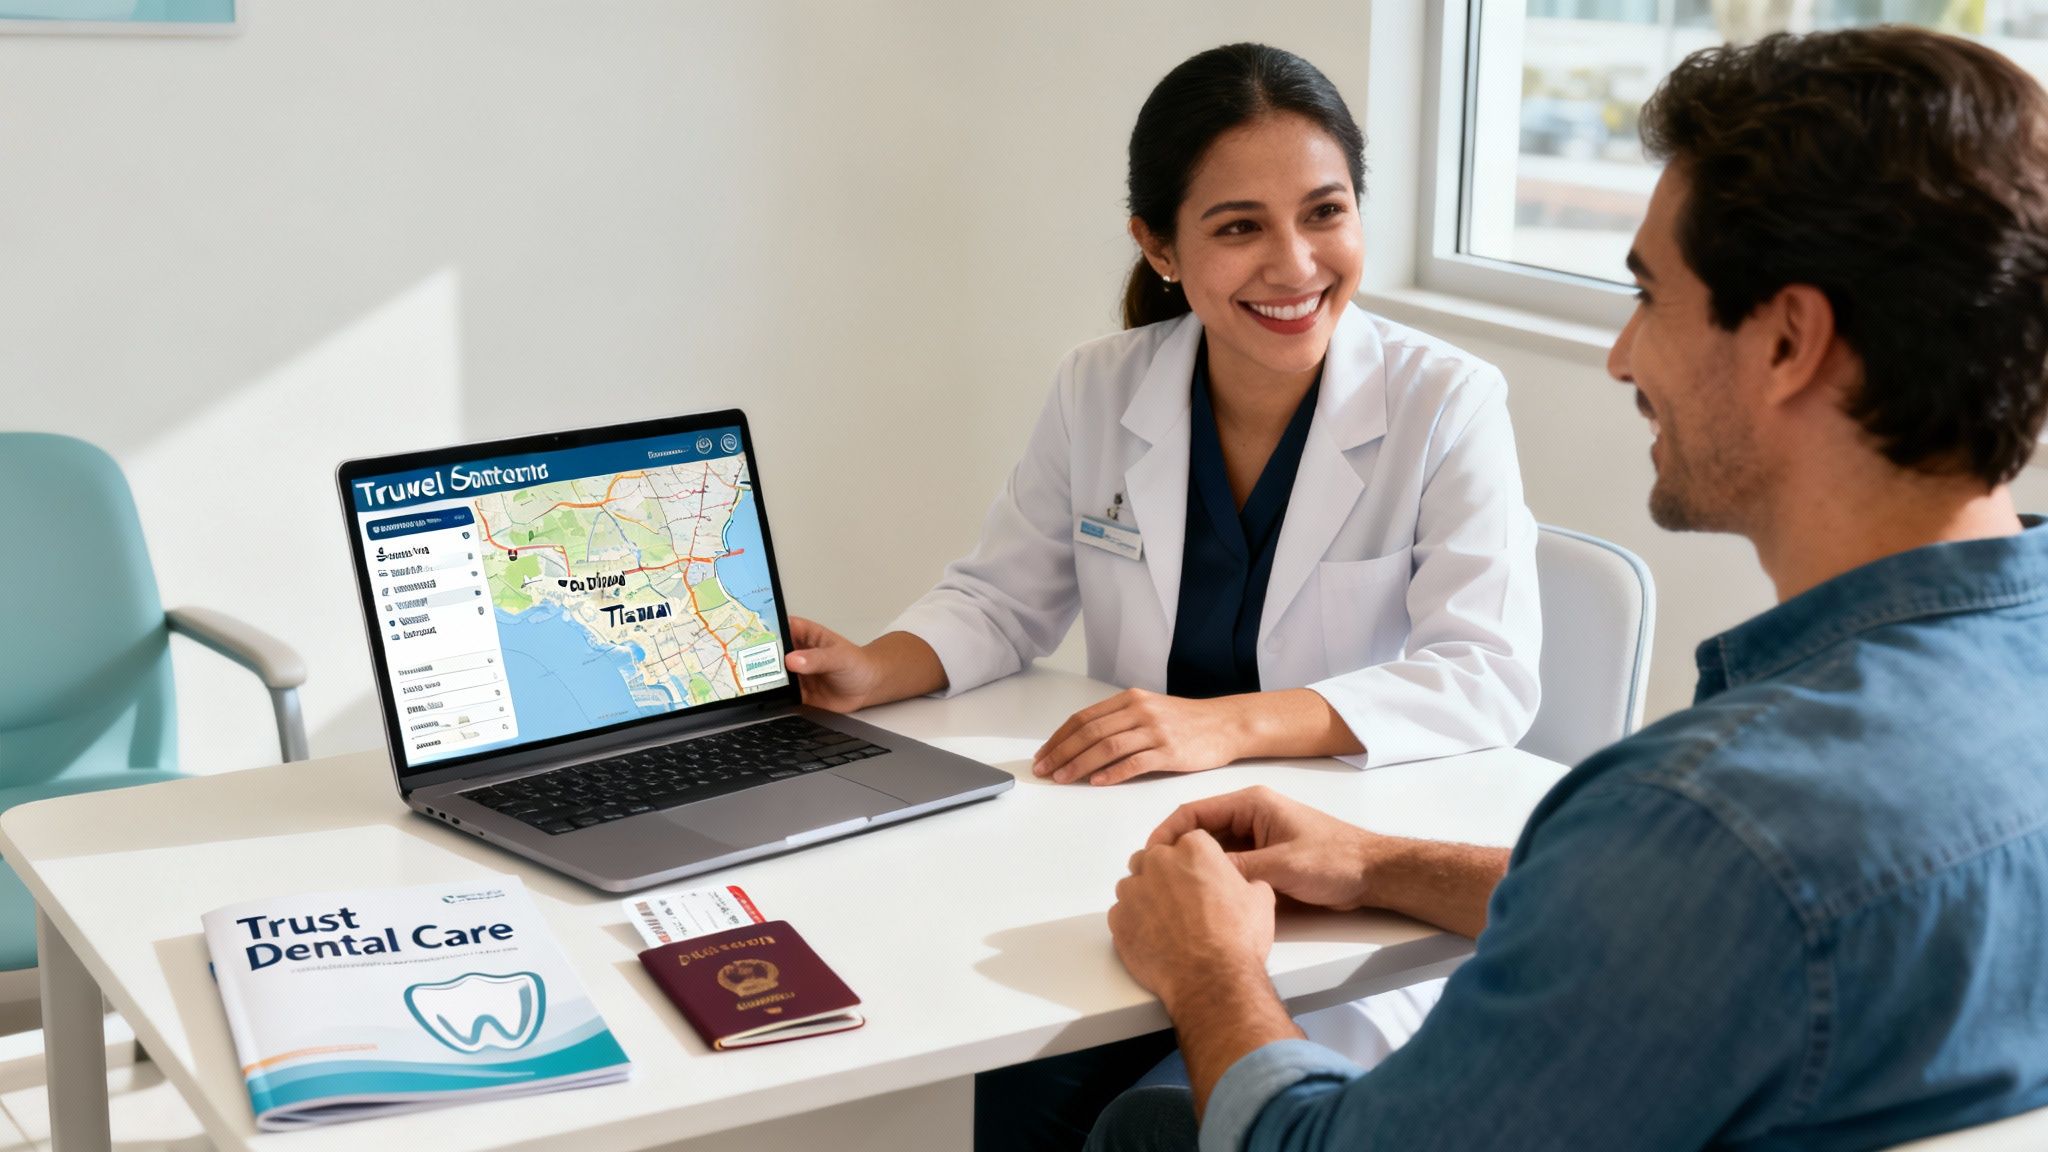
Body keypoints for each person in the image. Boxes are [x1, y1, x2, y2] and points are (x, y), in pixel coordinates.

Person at [1092, 25, 2048, 1151]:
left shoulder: (1701, 819)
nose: (1619, 357)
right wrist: (1376, 861)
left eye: (1648, 298)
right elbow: (1696, 917)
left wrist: (1208, 971)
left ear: (1788, 341)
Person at [783, 43, 1541, 788]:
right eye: (1240, 227)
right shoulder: (1099, 386)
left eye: (1324, 213)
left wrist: (1228, 725)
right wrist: (870, 669)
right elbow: (1001, 602)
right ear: (1159, 246)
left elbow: (1484, 674)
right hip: (1136, 807)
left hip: (1341, 820)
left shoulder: (1446, 401)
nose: (1296, 264)